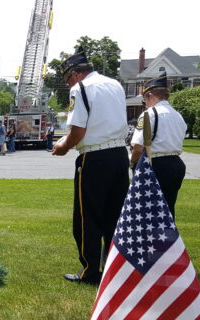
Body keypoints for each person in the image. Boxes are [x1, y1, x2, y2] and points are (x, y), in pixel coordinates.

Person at [51, 49, 129, 285]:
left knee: (87, 218)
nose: (68, 85)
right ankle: (113, 268)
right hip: (119, 154)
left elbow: (78, 131)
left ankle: (90, 271)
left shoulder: (80, 89)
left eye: (67, 80)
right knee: (114, 216)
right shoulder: (114, 84)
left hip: (94, 156)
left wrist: (63, 147)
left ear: (74, 75)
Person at [130, 72, 187, 219]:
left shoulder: (150, 114)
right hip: (176, 164)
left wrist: (132, 162)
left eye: (144, 101)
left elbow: (138, 147)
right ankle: (168, 241)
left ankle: (150, 241)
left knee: (148, 211)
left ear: (149, 95)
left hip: (156, 165)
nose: (145, 104)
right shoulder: (177, 115)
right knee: (168, 210)